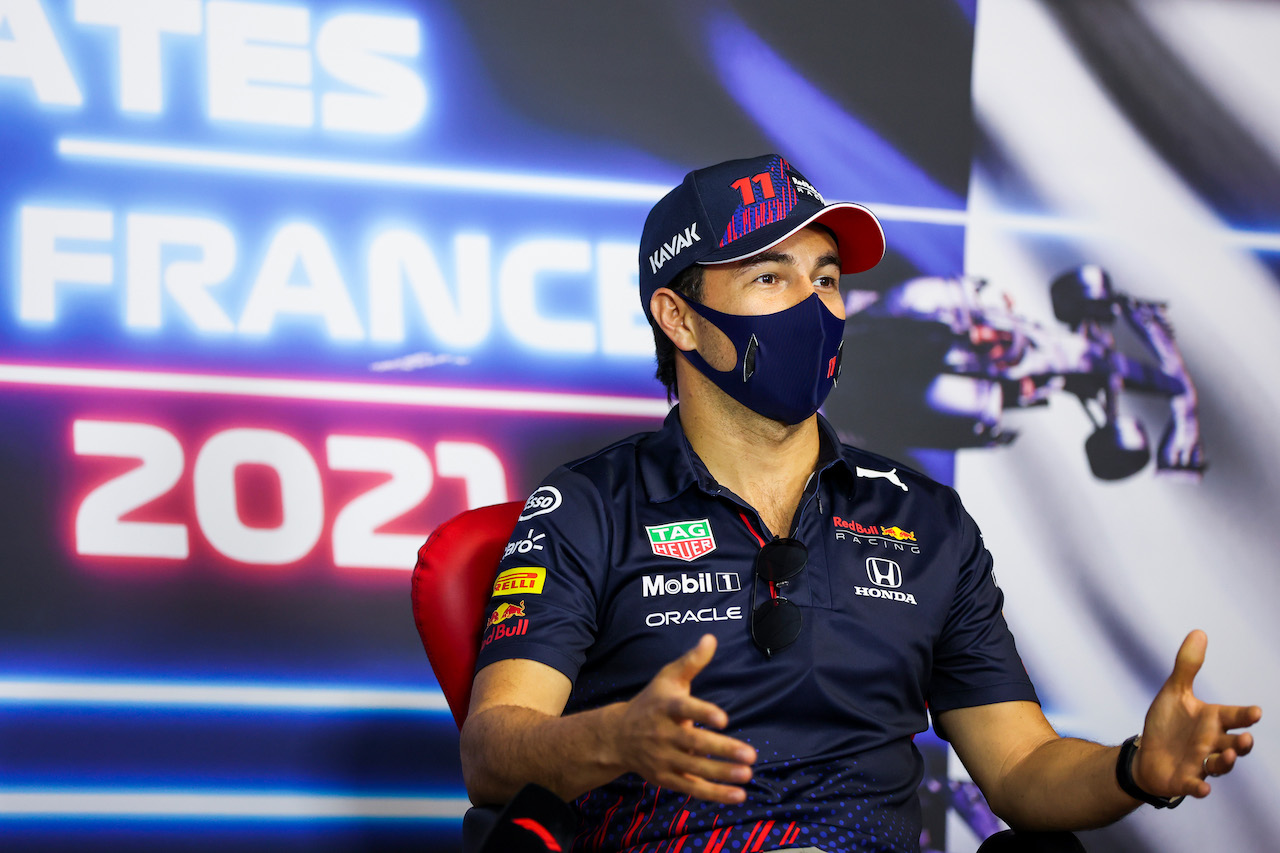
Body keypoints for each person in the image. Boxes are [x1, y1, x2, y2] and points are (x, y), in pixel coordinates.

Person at [459, 154, 1261, 853]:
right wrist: (617, 737)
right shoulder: (586, 505)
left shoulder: (927, 520)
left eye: (828, 278)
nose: (814, 305)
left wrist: (1134, 766)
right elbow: (494, 750)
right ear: (679, 317)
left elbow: (1019, 766)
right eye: (771, 276)